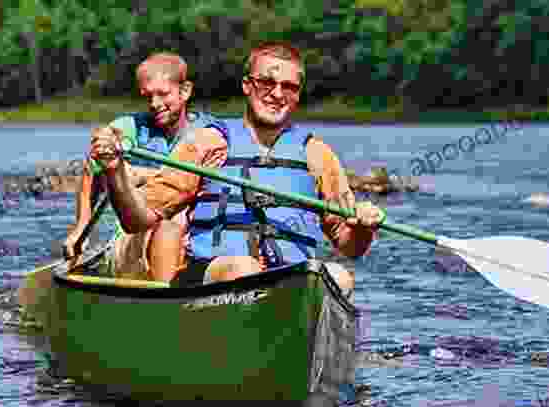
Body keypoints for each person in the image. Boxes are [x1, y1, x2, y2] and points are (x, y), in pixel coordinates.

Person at [89, 42, 384, 294]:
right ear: (247, 86)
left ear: (298, 94)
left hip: (289, 281)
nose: (277, 94)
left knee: (338, 277)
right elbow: (136, 220)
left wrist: (364, 229)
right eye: (267, 83)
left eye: (289, 87)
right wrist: (114, 171)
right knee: (244, 269)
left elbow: (350, 247)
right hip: (211, 278)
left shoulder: (318, 156)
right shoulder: (206, 143)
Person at [62, 51, 227, 283]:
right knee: (170, 223)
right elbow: (92, 168)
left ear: (185, 91)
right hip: (135, 236)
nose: (154, 104)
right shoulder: (129, 128)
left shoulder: (209, 132)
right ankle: (166, 300)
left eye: (163, 94)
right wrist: (80, 228)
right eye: (147, 96)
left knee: (181, 223)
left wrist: (140, 175)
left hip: (193, 237)